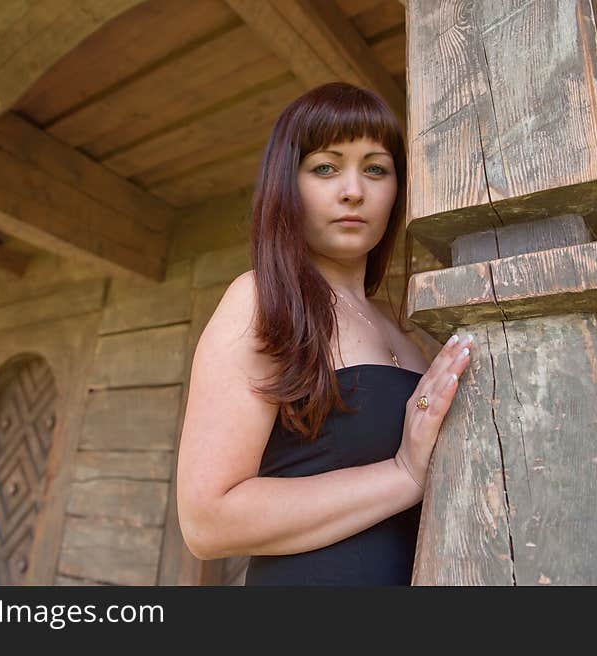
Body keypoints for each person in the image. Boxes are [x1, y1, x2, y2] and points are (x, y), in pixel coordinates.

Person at [176, 82, 474, 585]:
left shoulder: (401, 331)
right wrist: (401, 474)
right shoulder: (261, 300)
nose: (353, 189)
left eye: (376, 168)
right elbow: (207, 521)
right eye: (325, 167)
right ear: (286, 184)